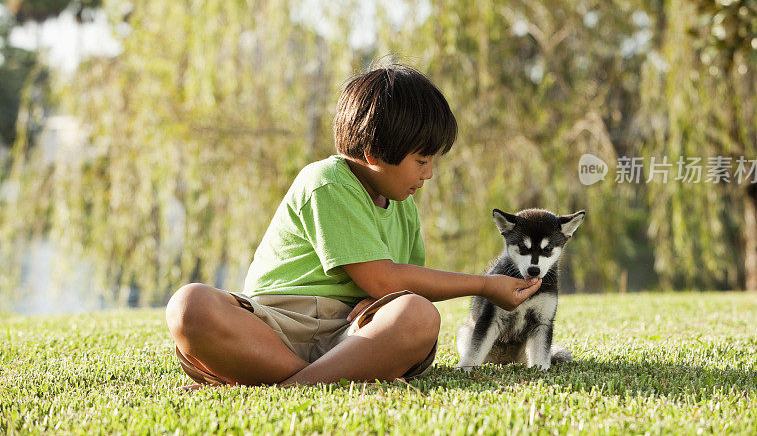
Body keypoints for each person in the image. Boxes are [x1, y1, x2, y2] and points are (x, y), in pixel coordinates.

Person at [166, 61, 542, 387]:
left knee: (418, 315)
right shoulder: (327, 181)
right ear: (374, 153)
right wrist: (485, 285)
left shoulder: (404, 206)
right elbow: (383, 278)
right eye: (422, 161)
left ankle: (287, 383)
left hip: (353, 335)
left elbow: (402, 291)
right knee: (189, 305)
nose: (429, 174)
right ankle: (314, 379)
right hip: (276, 327)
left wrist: (384, 301)